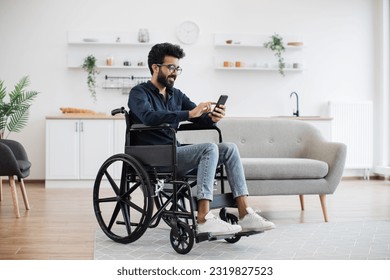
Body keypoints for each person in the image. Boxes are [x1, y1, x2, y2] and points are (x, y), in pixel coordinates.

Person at [128, 42, 275, 235]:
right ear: (156, 67)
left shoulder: (176, 95)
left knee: (228, 148)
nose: (174, 72)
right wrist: (189, 113)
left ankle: (244, 213)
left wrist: (211, 118)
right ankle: (204, 217)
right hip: (154, 156)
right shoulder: (139, 93)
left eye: (177, 68)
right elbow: (148, 117)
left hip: (174, 152)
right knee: (209, 148)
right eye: (171, 67)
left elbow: (196, 116)